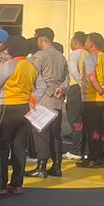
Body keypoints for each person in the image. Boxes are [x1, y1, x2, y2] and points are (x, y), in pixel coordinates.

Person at [0, 35, 38, 195]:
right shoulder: (30, 65)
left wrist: (0, 66)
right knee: (19, 147)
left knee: (2, 147)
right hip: (24, 108)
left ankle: (0, 184)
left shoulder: (10, 64)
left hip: (8, 107)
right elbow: (38, 86)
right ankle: (17, 184)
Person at [30, 28, 68, 177]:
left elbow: (32, 75)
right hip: (57, 99)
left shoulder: (39, 56)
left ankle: (41, 166)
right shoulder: (61, 57)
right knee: (55, 134)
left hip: (42, 98)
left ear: (41, 39)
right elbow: (67, 77)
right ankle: (57, 166)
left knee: (40, 133)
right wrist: (61, 88)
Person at [78, 33, 104, 169]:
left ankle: (93, 158)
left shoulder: (90, 58)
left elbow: (91, 78)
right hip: (103, 99)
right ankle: (100, 157)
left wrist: (101, 91)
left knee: (92, 130)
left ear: (91, 43)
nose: (85, 43)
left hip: (91, 98)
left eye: (87, 41)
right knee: (101, 129)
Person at [64, 32, 88, 159]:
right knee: (82, 119)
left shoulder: (75, 54)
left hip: (75, 88)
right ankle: (83, 149)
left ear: (75, 42)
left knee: (74, 119)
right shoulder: (87, 54)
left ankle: (76, 150)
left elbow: (73, 70)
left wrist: (80, 82)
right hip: (85, 90)